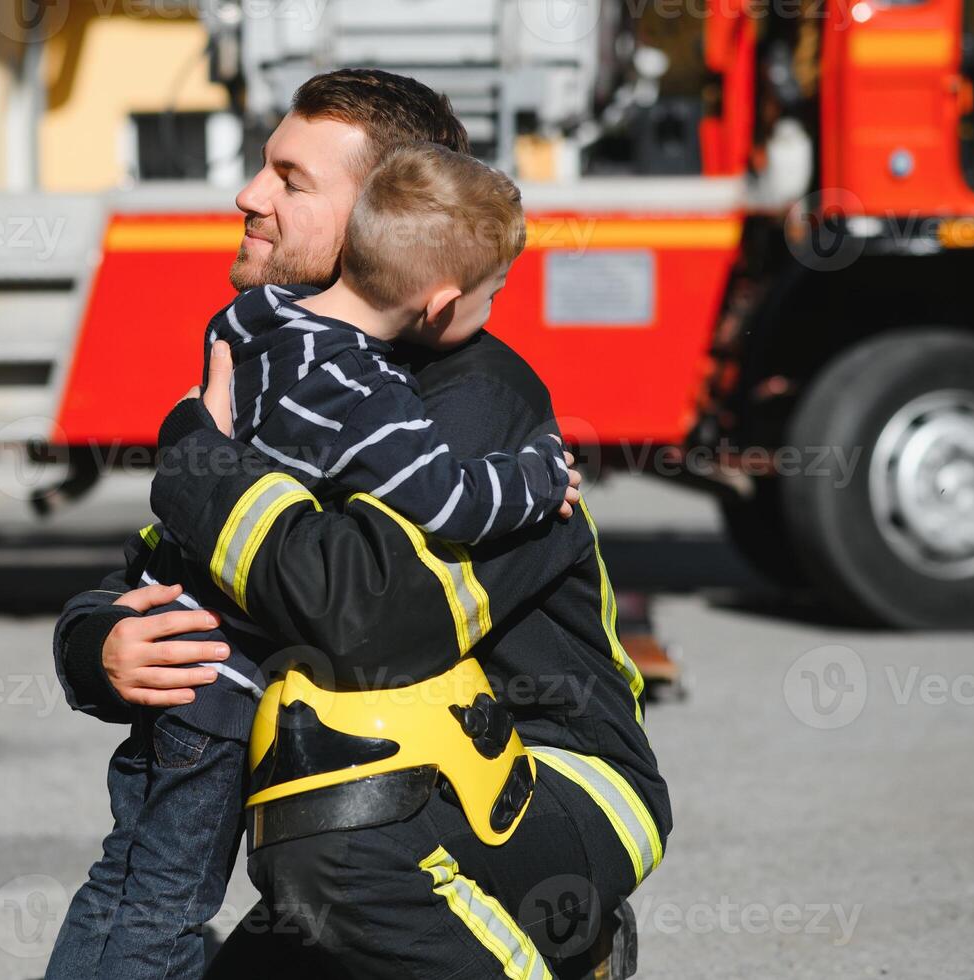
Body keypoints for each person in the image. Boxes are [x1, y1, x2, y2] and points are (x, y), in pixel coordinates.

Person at [50, 68, 670, 980]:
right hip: (380, 801)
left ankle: (567, 949)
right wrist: (99, 643)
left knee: (337, 758)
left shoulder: (474, 399)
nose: (249, 195)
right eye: (265, 167)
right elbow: (181, 567)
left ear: (379, 218)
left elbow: (365, 614)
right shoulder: (300, 366)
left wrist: (198, 466)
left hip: (548, 782)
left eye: (291, 181)